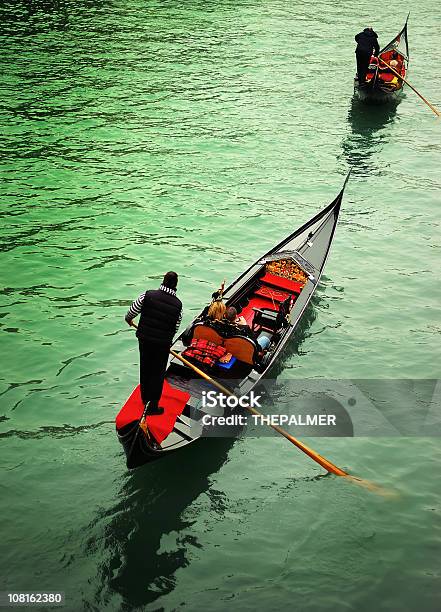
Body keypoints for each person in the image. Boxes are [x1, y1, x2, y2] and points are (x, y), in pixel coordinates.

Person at [125, 271, 182, 415]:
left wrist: (129, 320)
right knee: (158, 372)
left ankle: (145, 399)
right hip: (162, 343)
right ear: (176, 285)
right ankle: (153, 406)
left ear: (163, 281)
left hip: (144, 338)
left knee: (145, 367)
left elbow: (132, 310)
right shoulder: (178, 305)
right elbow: (176, 327)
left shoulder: (147, 295)